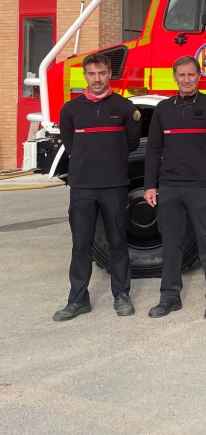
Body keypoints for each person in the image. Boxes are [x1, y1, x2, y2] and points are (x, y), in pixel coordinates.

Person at [53, 53, 142, 321]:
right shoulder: (70, 110)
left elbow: (132, 143)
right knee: (81, 244)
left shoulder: (125, 108)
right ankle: (78, 300)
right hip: (81, 187)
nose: (97, 79)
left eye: (102, 73)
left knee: (117, 241)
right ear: (85, 75)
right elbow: (70, 145)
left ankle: (122, 295)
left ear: (109, 74)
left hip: (114, 186)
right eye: (91, 74)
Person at [144, 56, 206, 320]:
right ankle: (169, 297)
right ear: (175, 77)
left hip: (202, 187)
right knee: (170, 244)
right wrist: (150, 185)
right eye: (181, 75)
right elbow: (153, 149)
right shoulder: (162, 109)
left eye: (191, 75)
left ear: (199, 76)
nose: (186, 79)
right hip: (170, 186)